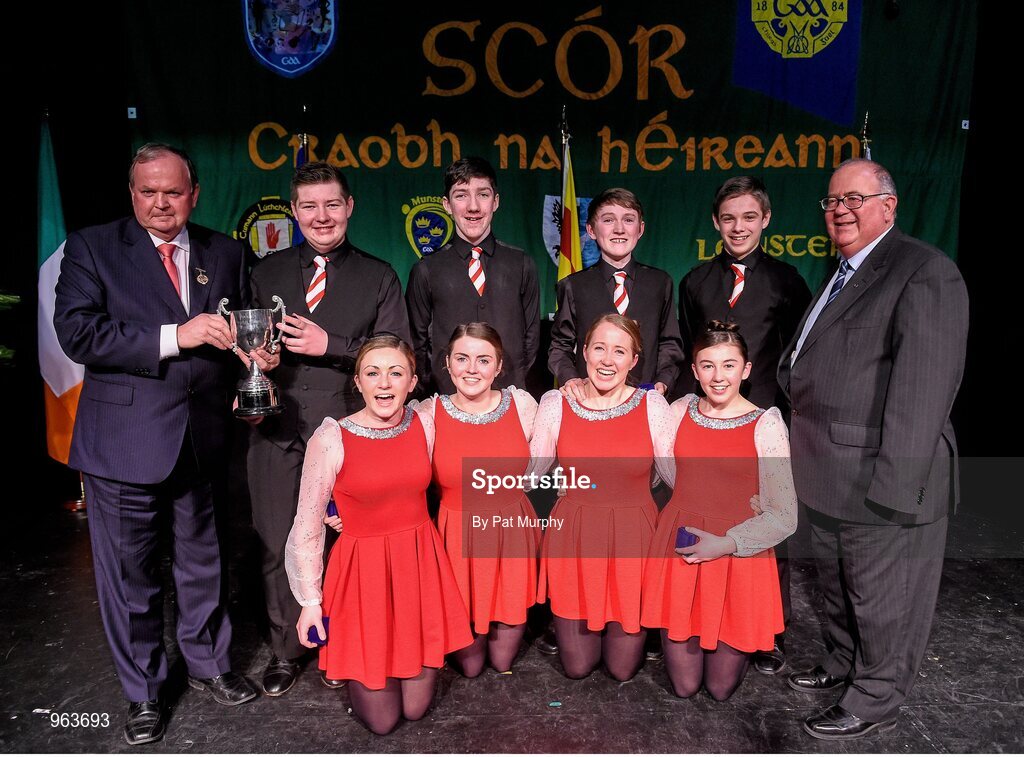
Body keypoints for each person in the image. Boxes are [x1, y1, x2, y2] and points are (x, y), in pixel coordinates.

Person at [53, 143, 258, 746]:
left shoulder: (225, 250)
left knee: (205, 562)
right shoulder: (93, 247)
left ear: (194, 194)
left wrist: (258, 356)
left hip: (204, 435)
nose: (162, 203)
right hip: (124, 440)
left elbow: (243, 323)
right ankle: (143, 691)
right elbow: (77, 332)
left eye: (174, 192)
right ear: (132, 193)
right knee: (130, 574)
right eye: (149, 192)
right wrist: (176, 334)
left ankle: (210, 665)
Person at [779, 158, 968, 739]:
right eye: (832, 201)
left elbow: (922, 392)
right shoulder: (840, 273)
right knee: (838, 588)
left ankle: (877, 694)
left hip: (881, 480)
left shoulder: (922, 272)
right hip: (829, 473)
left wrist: (896, 488)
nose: (841, 210)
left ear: (889, 205)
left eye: (855, 199)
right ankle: (842, 663)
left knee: (884, 599)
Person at [246, 161, 410, 697]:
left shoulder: (379, 274)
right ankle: (287, 650)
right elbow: (244, 348)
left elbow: (399, 355)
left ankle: (348, 640)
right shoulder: (263, 272)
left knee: (349, 544)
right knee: (277, 541)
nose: (322, 216)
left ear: (350, 208)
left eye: (332, 204)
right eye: (309, 206)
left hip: (348, 434)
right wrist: (255, 361)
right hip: (275, 427)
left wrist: (333, 345)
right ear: (293, 212)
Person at [285, 335, 472, 735]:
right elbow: (306, 525)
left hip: (419, 569)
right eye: (373, 373)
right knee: (383, 723)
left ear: (412, 382)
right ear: (358, 382)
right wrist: (310, 602)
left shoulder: (426, 421)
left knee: (417, 710)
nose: (384, 383)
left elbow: (477, 398)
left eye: (395, 373)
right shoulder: (331, 437)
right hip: (363, 576)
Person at [678, 176, 811, 675]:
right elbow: (692, 349)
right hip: (711, 422)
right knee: (708, 516)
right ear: (716, 223)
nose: (739, 227)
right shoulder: (695, 282)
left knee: (767, 518)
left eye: (749, 217)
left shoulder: (787, 280)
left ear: (766, 220)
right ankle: (701, 614)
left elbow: (799, 352)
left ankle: (767, 632)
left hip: (762, 421)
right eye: (729, 218)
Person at [641, 321, 797, 701]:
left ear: (746, 370)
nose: (718, 376)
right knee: (684, 686)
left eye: (729, 365)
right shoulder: (678, 411)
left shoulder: (767, 424)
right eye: (707, 365)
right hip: (682, 548)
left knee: (720, 689)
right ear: (694, 371)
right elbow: (667, 471)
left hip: (737, 557)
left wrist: (726, 542)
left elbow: (785, 516)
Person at [531, 314, 674, 681]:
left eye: (619, 351)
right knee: (577, 669)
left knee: (622, 670)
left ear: (634, 360)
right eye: (599, 348)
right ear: (583, 352)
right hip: (574, 538)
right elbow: (532, 473)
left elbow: (673, 476)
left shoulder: (653, 406)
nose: (608, 360)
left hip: (633, 540)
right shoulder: (555, 403)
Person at [411, 323, 540, 676]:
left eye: (484, 360)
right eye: (462, 359)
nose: (472, 369)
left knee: (501, 663)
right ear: (447, 364)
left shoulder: (523, 404)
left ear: (499, 366)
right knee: (469, 668)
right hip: (457, 536)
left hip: (511, 531)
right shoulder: (427, 414)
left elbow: (557, 455)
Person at [406, 157, 540, 395]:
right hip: (447, 400)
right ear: (447, 204)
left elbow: (531, 340)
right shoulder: (426, 269)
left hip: (508, 398)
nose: (473, 207)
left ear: (495, 201)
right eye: (461, 195)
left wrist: (508, 385)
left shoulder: (521, 264)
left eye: (483, 194)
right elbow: (417, 344)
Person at [549, 187, 684, 399]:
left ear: (640, 229)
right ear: (591, 230)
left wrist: (663, 381)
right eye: (608, 220)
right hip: (590, 401)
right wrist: (570, 378)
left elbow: (670, 343)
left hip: (644, 399)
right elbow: (559, 346)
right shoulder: (573, 285)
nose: (619, 229)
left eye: (628, 220)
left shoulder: (660, 282)